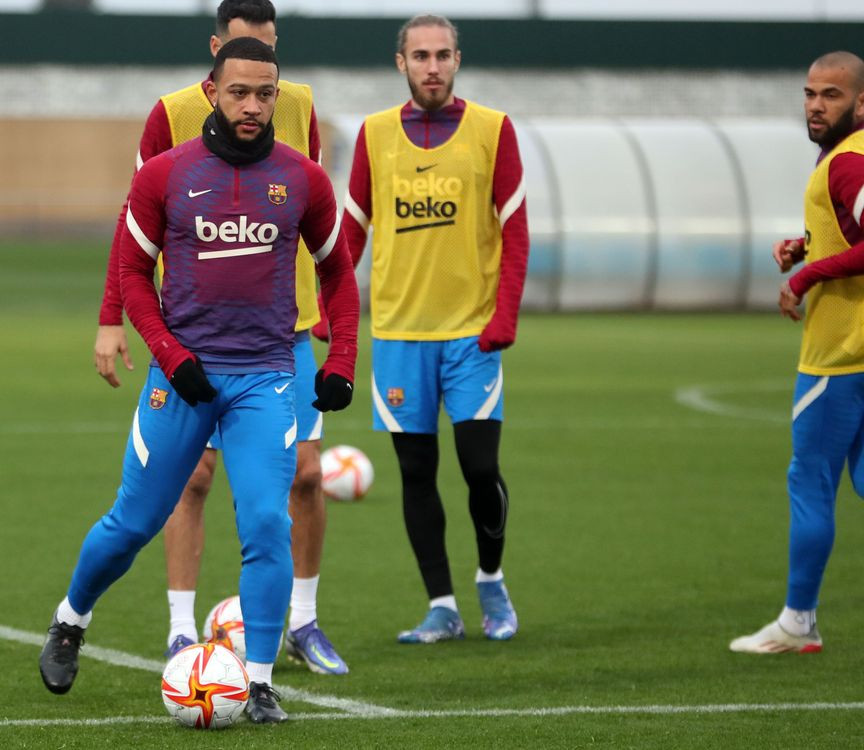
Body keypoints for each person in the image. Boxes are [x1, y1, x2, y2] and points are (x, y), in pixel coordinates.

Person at [39, 38, 360, 724]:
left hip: (266, 378)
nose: (252, 106)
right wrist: (168, 352)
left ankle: (262, 681)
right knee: (133, 523)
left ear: (279, 97)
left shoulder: (302, 177)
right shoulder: (164, 174)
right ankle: (71, 618)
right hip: (179, 379)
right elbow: (129, 271)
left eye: (264, 94)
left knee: (268, 522)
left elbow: (337, 270)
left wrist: (340, 362)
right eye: (239, 92)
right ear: (212, 91)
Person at [339, 14, 529, 644]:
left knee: (479, 466)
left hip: (472, 334)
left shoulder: (493, 131)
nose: (432, 66)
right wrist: (327, 304)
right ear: (401, 63)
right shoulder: (373, 135)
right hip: (398, 335)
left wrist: (505, 315)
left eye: (443, 55)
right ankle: (442, 606)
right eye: (420, 55)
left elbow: (515, 232)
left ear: (457, 59)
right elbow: (352, 234)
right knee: (416, 472)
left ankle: (491, 580)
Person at [731, 51, 864, 655]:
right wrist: (805, 248)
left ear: (860, 104)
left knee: (810, 481)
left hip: (838, 356)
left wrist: (806, 279)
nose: (815, 104)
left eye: (831, 95)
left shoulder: (848, 163)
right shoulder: (841, 160)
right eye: (810, 92)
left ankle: (797, 622)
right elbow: (849, 234)